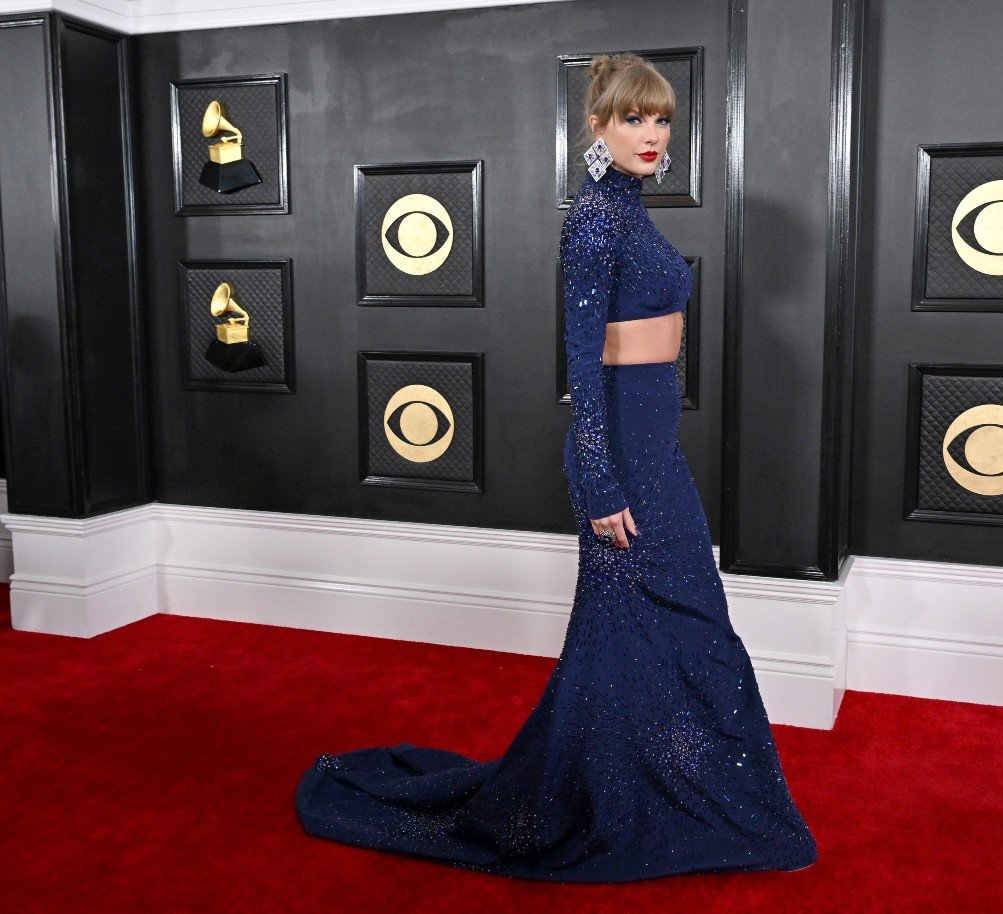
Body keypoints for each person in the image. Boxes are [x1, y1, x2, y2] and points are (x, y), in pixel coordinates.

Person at [293, 52, 818, 882]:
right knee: (663, 630)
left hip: (654, 455)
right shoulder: (596, 219)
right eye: (633, 118)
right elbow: (582, 360)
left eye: (662, 119)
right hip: (620, 463)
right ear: (597, 128)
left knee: (648, 636)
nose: (651, 134)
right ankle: (639, 797)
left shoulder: (630, 211)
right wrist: (601, 481)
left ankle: (648, 788)